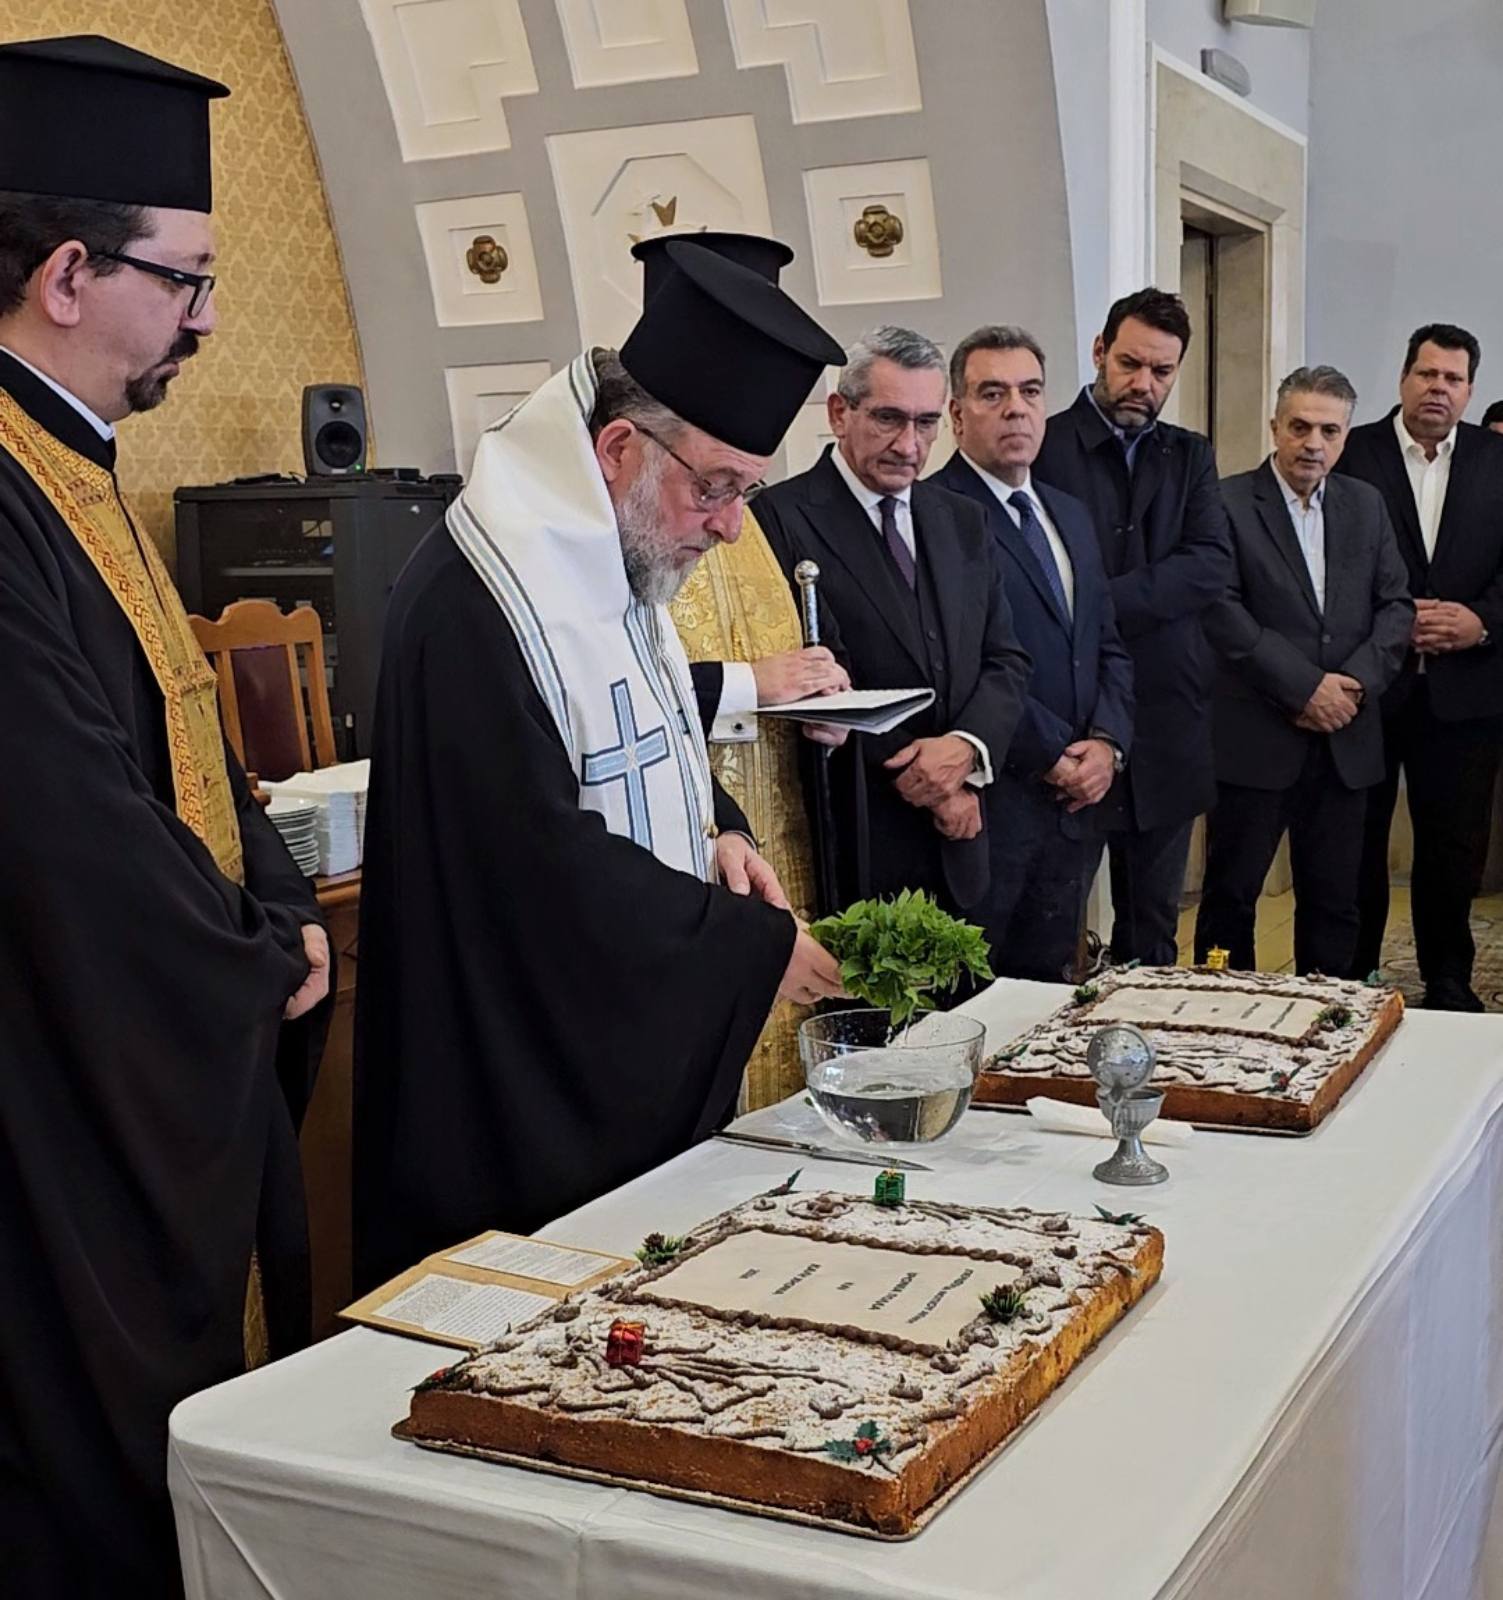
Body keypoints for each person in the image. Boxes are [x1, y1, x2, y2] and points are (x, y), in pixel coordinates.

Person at [354, 241, 848, 1292]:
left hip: (603, 1051)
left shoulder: (618, 550)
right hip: (512, 1094)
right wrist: (743, 950)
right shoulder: (484, 596)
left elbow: (654, 730)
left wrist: (718, 833)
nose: (730, 528)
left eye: (748, 492)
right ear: (621, 446)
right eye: (715, 489)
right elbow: (529, 863)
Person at [0, 36, 330, 1595]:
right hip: (54, 1077)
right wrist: (249, 961)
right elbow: (66, 818)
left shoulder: (74, 462)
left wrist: (280, 903)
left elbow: (188, 735)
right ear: (67, 274)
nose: (204, 319)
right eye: (183, 280)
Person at [751, 326, 1031, 919]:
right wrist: (929, 779)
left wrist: (966, 751)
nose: (909, 444)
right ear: (839, 412)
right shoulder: (776, 519)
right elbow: (815, 682)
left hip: (965, 840)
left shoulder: (964, 519)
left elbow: (1005, 658)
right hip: (856, 839)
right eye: (888, 419)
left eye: (926, 423)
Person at [1033, 287, 1231, 966]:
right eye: (1130, 363)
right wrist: (1142, 594)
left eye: (1161, 371)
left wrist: (1088, 602)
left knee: (1154, 931)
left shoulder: (1190, 455)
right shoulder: (1045, 446)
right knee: (1052, 925)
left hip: (1169, 714)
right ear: (1099, 351)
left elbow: (1209, 566)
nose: (1143, 384)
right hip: (1072, 719)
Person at [932, 325, 1132, 981]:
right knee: (979, 996)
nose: (1015, 409)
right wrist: (1052, 755)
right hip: (997, 802)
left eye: (1030, 392)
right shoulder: (934, 514)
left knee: (1050, 992)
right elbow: (963, 663)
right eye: (992, 394)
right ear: (957, 414)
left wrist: (1107, 744)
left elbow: (1105, 641)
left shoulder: (1068, 513)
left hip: (1077, 805)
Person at [1196, 366, 1412, 975]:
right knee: (1230, 897)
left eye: (1328, 431)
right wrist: (1304, 688)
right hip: (1255, 738)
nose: (1313, 443)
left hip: (1346, 738)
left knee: (1336, 903)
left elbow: (1396, 606)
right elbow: (1219, 610)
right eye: (1300, 427)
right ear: (1275, 427)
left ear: (1344, 437)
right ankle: (1222, 1008)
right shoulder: (1226, 503)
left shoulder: (1366, 505)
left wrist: (1354, 685)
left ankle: (1329, 1015)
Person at [1334, 323, 1503, 1008]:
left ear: (1470, 390)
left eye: (1452, 379)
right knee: (1355, 841)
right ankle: (1353, 978)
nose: (1438, 388)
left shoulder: (1497, 459)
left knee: (1453, 846)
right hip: (1370, 689)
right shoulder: (1352, 453)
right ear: (1404, 378)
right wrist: (1391, 623)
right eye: (1427, 374)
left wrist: (1481, 621)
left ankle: (1448, 978)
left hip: (1468, 691)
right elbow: (1326, 561)